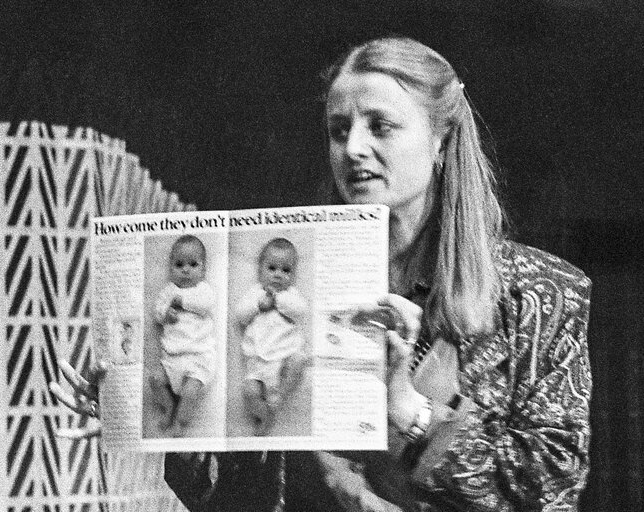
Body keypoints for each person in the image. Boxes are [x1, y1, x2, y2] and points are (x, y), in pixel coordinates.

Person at [50, 35, 592, 511]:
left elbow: (552, 487)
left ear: (442, 140)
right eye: (339, 130)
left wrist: (412, 411)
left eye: (380, 126)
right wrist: (152, 414)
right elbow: (236, 501)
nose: (353, 148)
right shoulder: (297, 280)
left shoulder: (539, 295)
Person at [236, 237, 309, 435]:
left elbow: (300, 311)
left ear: (294, 275)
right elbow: (241, 316)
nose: (278, 275)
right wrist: (259, 305)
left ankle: (280, 395)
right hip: (258, 361)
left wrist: (277, 299)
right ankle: (265, 414)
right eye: (272, 268)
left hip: (284, 357)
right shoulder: (255, 293)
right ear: (260, 270)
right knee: (249, 392)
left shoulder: (291, 295)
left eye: (286, 270)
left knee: (299, 360)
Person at [150, 234, 217, 435]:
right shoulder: (168, 291)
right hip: (171, 358)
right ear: (171, 268)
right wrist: (165, 314)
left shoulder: (203, 290)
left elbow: (206, 306)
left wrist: (181, 302)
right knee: (155, 380)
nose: (186, 270)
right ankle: (168, 406)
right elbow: (157, 311)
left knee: (190, 393)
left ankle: (181, 421)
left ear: (203, 269)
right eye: (179, 265)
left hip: (198, 358)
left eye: (193, 265)